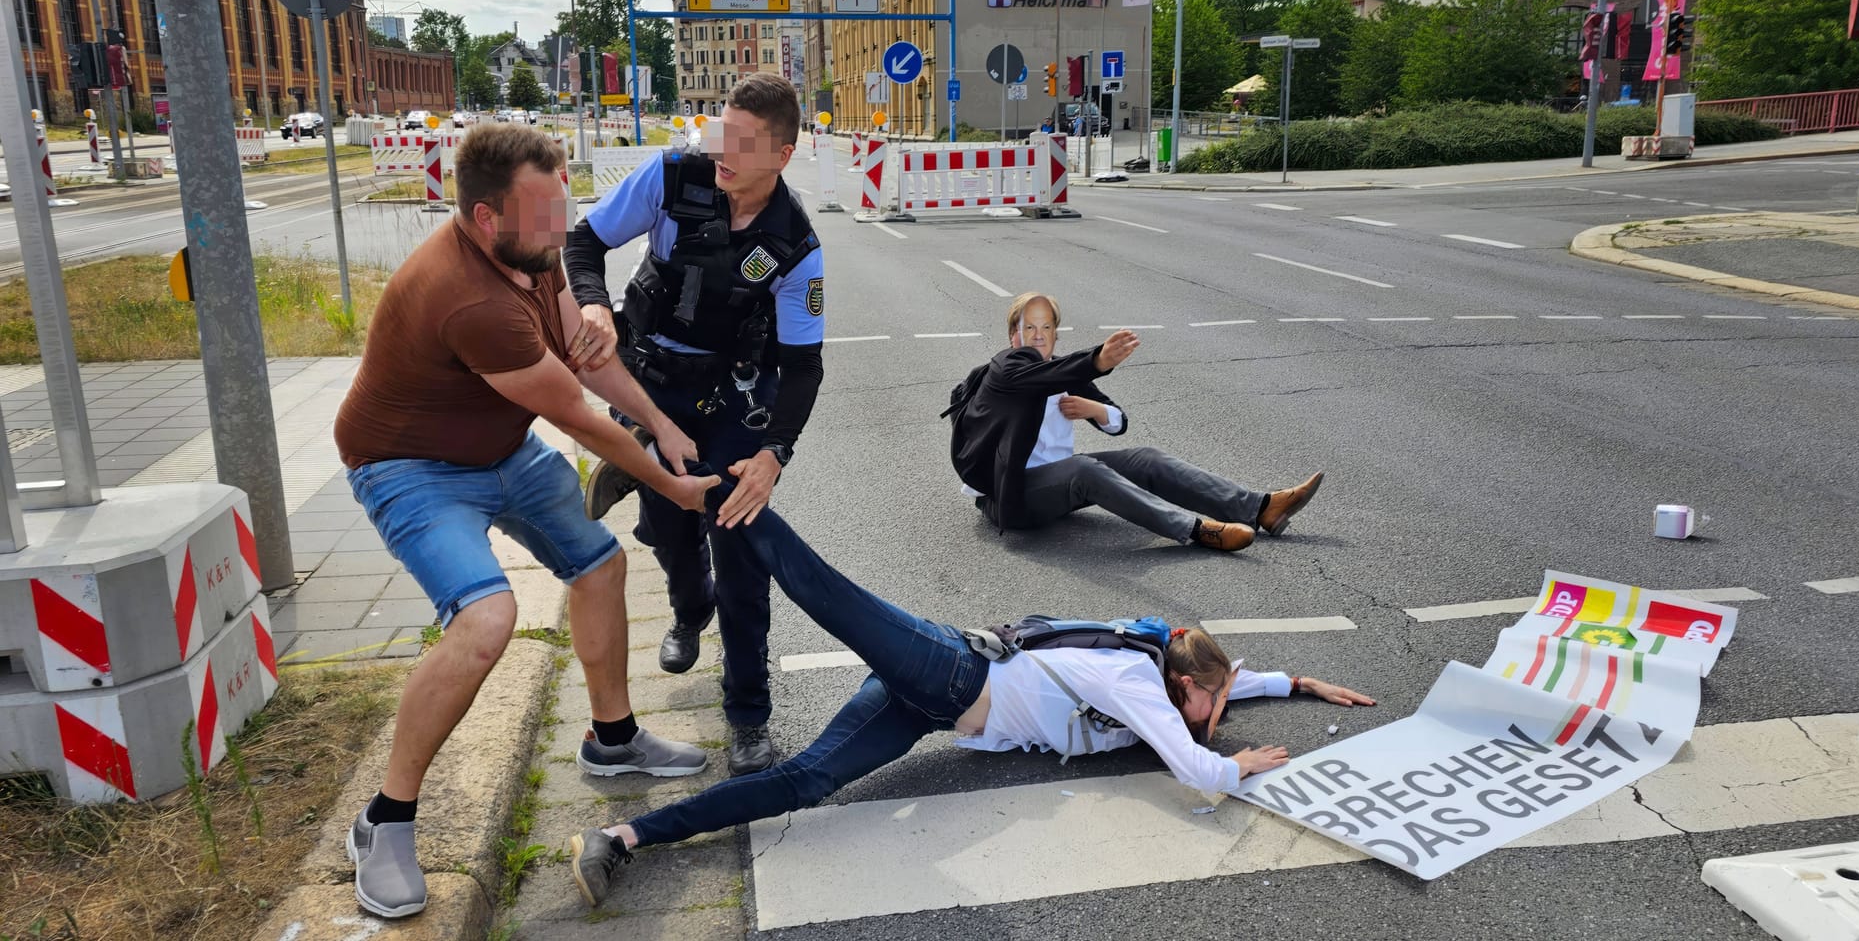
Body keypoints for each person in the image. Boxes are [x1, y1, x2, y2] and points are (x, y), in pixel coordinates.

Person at [565, 492, 1376, 907]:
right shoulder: (1138, 685)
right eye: (1218, 701)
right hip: (951, 669)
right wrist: (1236, 765)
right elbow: (1198, 769)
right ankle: (695, 486)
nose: (1221, 713)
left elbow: (1213, 696)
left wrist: (1294, 683)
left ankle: (621, 835)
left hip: (927, 707)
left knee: (804, 782)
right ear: (1184, 688)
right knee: (822, 588)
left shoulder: (1157, 668)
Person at [331, 123, 719, 919]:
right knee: (487, 620)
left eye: (563, 203)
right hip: (410, 468)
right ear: (483, 220)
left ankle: (613, 740)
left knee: (600, 564)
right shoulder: (467, 296)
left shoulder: (530, 255)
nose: (561, 226)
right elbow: (579, 415)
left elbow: (588, 356)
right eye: (544, 212)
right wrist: (668, 485)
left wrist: (665, 427)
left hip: (500, 448)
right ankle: (385, 819)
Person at [564, 72, 826, 777]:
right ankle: (687, 607)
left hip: (733, 399)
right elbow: (583, 243)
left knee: (740, 552)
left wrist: (774, 454)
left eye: (742, 142)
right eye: (719, 131)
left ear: (784, 154)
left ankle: (749, 718)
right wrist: (591, 305)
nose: (722, 151)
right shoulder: (673, 176)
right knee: (674, 533)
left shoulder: (796, 247)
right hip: (651, 385)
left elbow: (803, 367)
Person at [945, 292, 1325, 552]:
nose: (1038, 335)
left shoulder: (1063, 374)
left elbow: (1118, 421)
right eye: (1029, 328)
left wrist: (1094, 410)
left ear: (1056, 335)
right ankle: (1196, 530)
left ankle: (1260, 507)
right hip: (1008, 497)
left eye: (1046, 329)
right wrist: (1097, 360)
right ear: (1014, 336)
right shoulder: (1004, 370)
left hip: (1054, 483)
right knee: (1084, 468)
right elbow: (1031, 380)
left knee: (1143, 457)